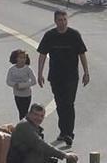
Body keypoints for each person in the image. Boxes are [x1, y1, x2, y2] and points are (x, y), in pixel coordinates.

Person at [36, 10, 89, 147]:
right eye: (60, 20)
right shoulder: (50, 36)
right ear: (55, 21)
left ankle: (69, 134)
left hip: (71, 76)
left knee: (69, 104)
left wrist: (86, 72)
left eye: (65, 19)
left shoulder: (74, 35)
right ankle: (63, 131)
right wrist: (40, 73)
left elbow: (82, 54)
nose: (63, 22)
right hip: (55, 76)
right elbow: (42, 55)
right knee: (60, 104)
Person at [7, 104, 78, 163]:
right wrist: (64, 155)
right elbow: (40, 144)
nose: (39, 118)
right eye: (36, 114)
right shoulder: (24, 126)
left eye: (41, 116)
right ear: (29, 114)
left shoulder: (31, 126)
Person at [6, 49, 37, 119]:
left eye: (24, 58)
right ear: (15, 58)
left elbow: (34, 81)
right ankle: (23, 126)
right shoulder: (12, 70)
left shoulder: (27, 69)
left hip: (26, 94)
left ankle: (25, 127)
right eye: (20, 57)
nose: (22, 60)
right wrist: (15, 85)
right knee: (21, 112)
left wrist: (22, 85)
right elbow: (8, 81)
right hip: (17, 94)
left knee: (24, 112)